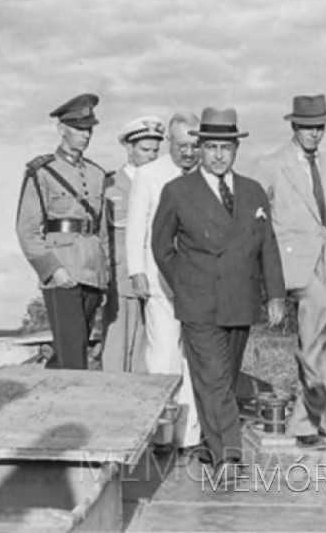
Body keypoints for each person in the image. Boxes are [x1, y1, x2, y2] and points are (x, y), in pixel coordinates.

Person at [151, 107, 285, 477]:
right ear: (200, 149)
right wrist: (186, 282)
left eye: (226, 147)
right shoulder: (177, 191)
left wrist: (275, 294)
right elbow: (161, 246)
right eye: (211, 147)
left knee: (223, 380)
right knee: (211, 377)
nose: (219, 155)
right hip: (199, 304)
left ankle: (213, 448)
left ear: (236, 150)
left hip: (240, 302)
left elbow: (268, 246)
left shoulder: (253, 191)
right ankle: (230, 455)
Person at [253, 94, 326, 447]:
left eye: (319, 127)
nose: (314, 134)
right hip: (291, 263)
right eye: (307, 127)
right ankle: (312, 410)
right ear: (294, 126)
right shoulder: (271, 164)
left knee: (321, 339)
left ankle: (311, 419)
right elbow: (254, 217)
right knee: (318, 315)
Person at [126, 112, 203, 451]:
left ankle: (190, 436)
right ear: (169, 142)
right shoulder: (148, 175)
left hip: (199, 283)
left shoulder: (205, 175)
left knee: (194, 358)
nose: (189, 152)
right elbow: (136, 226)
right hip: (160, 281)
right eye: (182, 145)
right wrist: (136, 271)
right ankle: (161, 436)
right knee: (163, 355)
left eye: (194, 145)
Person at [16, 93, 109, 370]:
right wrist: (53, 269)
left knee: (71, 351)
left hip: (92, 272)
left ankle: (48, 401)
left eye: (89, 129)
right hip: (63, 272)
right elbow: (27, 230)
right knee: (72, 354)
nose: (86, 135)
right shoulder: (42, 171)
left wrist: (105, 275)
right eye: (79, 129)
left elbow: (101, 230)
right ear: (61, 130)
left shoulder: (97, 174)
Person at [101, 115, 164, 373]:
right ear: (128, 148)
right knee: (117, 349)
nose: (151, 156)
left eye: (155, 151)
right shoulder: (109, 185)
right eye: (145, 149)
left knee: (147, 351)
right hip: (121, 281)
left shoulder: (162, 183)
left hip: (155, 279)